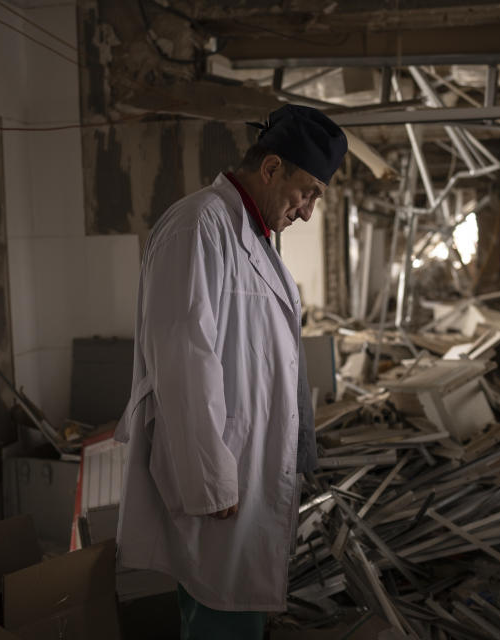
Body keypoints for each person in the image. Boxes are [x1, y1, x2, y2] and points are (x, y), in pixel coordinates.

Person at [114, 104, 348, 639]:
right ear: (270, 169)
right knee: (220, 611)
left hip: (247, 468)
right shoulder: (198, 225)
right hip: (221, 485)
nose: (308, 211)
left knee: (232, 609)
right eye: (306, 191)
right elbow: (183, 358)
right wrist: (212, 480)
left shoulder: (252, 235)